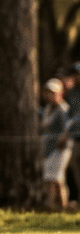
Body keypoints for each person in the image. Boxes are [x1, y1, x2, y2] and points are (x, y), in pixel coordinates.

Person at [40, 78, 71, 210]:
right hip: (48, 148)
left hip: (60, 149)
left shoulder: (63, 109)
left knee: (56, 179)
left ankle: (57, 206)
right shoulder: (47, 109)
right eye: (48, 92)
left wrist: (61, 140)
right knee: (50, 178)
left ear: (60, 93)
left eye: (53, 92)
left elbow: (68, 129)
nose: (50, 95)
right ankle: (53, 205)